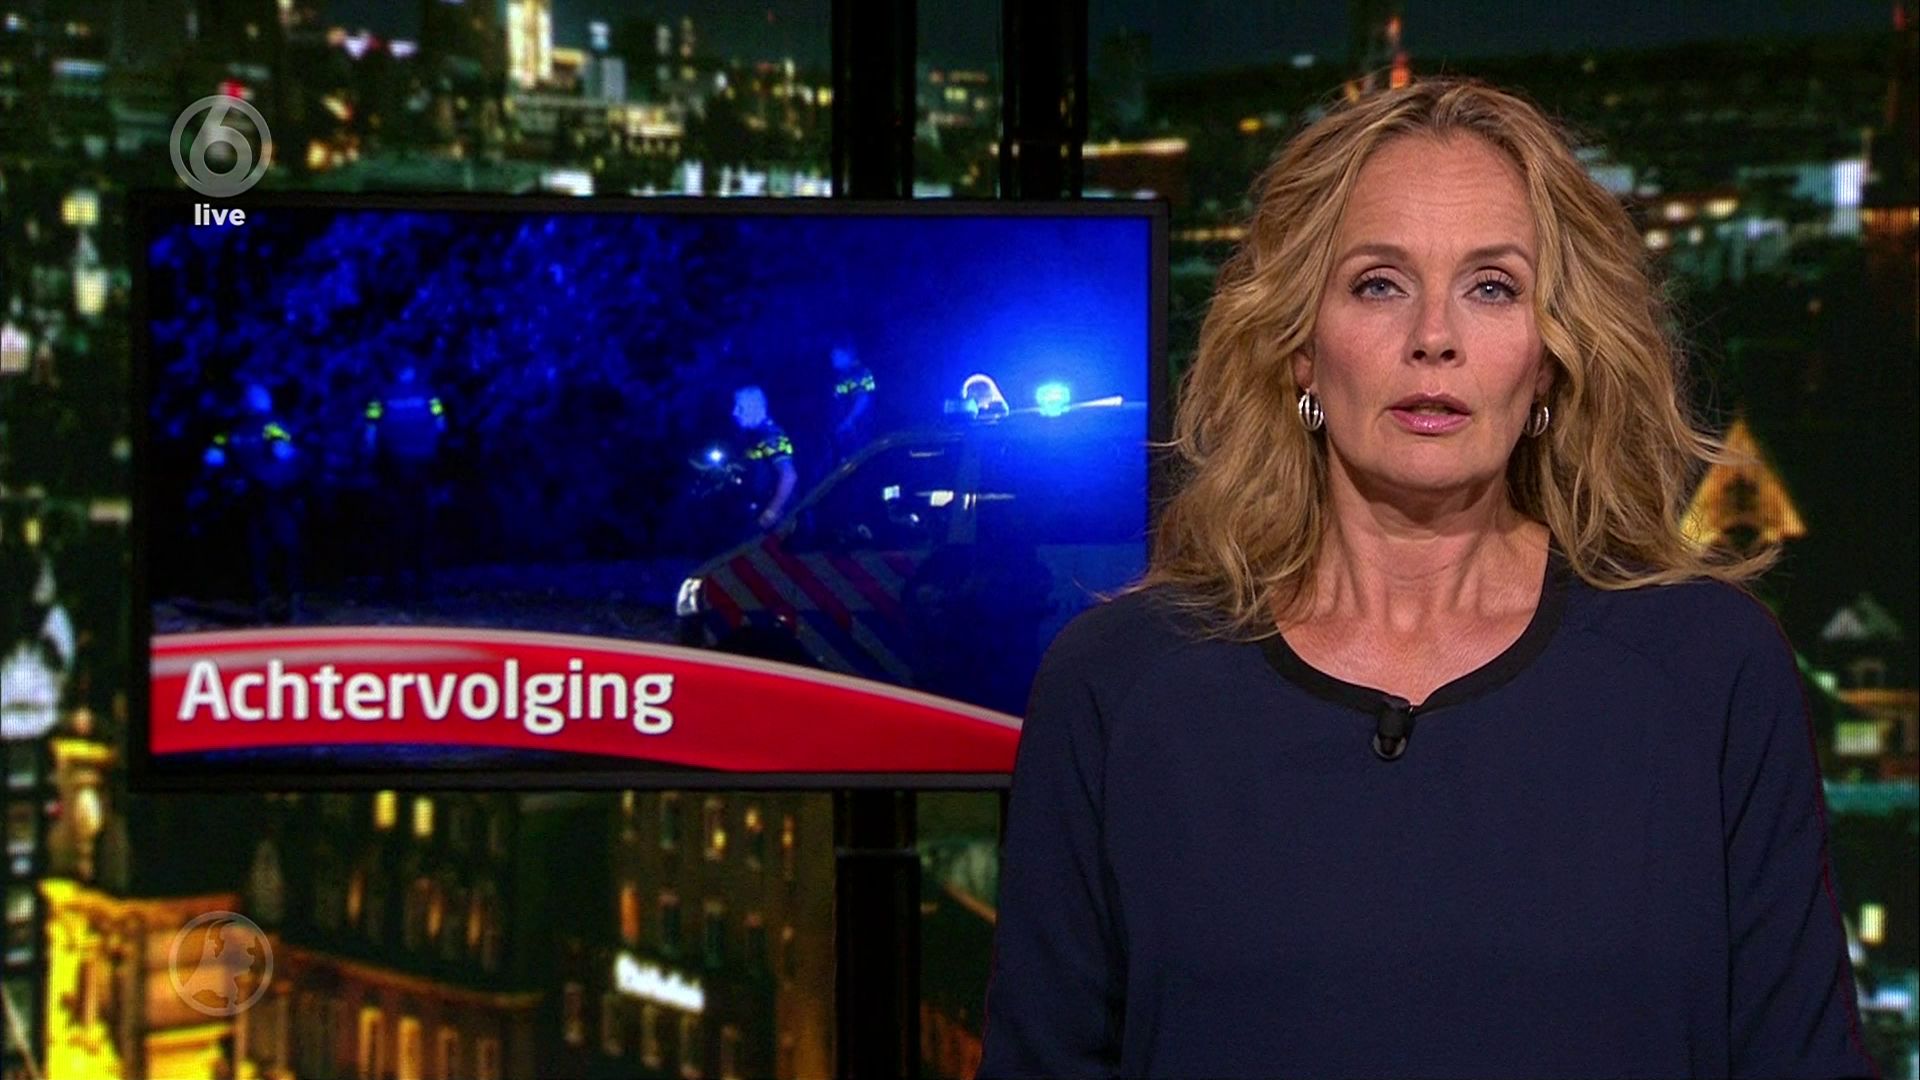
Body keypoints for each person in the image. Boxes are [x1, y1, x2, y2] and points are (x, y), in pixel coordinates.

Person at [977, 78, 1878, 1078]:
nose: (1434, 336)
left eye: (1493, 287)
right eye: (1379, 284)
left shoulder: (1709, 672)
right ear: (1299, 349)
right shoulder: (1119, 685)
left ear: (1549, 360)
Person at [204, 383, 305, 622]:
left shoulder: (266, 425)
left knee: (278, 546)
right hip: (256, 494)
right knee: (261, 548)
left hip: (271, 493)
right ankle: (268, 600)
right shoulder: (240, 427)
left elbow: (284, 450)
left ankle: (285, 599)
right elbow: (215, 453)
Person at [364, 363, 448, 602]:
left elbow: (370, 431)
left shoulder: (381, 395)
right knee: (423, 521)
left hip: (394, 463)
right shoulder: (428, 393)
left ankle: (394, 582)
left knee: (394, 520)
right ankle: (423, 583)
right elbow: (441, 424)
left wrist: (371, 455)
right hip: (423, 462)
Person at [732, 385, 798, 532]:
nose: (734, 412)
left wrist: (771, 512)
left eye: (740, 408)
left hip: (777, 516)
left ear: (755, 408)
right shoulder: (752, 434)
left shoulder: (771, 435)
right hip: (757, 507)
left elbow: (789, 476)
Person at [828, 341, 878, 465]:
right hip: (850, 432)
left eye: (835, 354)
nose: (832, 358)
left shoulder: (856, 372)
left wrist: (848, 421)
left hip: (857, 431)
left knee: (857, 464)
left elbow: (862, 399)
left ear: (846, 354)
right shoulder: (844, 375)